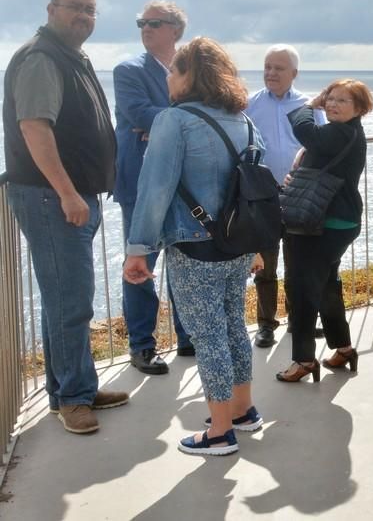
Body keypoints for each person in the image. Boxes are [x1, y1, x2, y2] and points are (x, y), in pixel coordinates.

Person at [123, 37, 264, 456]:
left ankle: (219, 431)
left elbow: (154, 189)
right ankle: (243, 410)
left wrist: (138, 249)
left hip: (193, 244)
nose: (167, 76)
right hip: (237, 244)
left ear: (188, 75)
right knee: (234, 326)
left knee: (208, 338)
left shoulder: (174, 120)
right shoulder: (244, 120)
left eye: (173, 69)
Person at [2, 0, 129, 434]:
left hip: (67, 196)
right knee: (70, 300)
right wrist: (68, 193)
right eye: (75, 8)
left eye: (91, 10)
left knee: (64, 297)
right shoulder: (42, 58)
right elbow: (35, 128)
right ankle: (74, 398)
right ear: (52, 9)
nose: (84, 16)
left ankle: (71, 388)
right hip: (52, 197)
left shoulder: (71, 56)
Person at [112, 0, 193, 374]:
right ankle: (142, 345)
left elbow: (200, 111)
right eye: (141, 22)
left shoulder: (191, 70)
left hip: (183, 183)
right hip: (140, 183)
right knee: (140, 262)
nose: (145, 28)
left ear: (175, 30)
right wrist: (185, 122)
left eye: (154, 22)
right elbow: (137, 113)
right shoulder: (128, 70)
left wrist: (161, 126)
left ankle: (188, 336)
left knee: (186, 261)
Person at [275, 79, 371, 382]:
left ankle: (304, 360)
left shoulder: (340, 131)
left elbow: (305, 132)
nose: (332, 104)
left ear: (358, 109)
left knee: (303, 290)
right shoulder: (348, 133)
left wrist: (309, 105)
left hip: (321, 224)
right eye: (330, 98)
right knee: (328, 286)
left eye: (342, 101)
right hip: (335, 222)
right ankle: (343, 347)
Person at [245, 44, 322, 348]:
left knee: (298, 263)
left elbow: (320, 145)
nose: (271, 73)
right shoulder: (249, 104)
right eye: (267, 67)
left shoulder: (309, 105)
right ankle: (265, 324)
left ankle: (298, 319)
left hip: (297, 194)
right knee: (265, 263)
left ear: (294, 73)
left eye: (278, 68)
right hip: (262, 196)